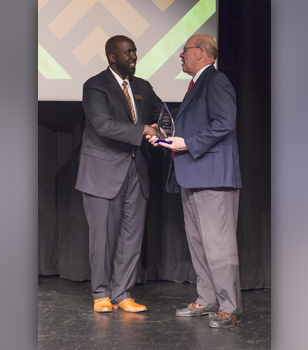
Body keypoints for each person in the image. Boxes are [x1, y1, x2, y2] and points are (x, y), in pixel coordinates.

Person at [146, 34, 243, 328]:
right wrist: (164, 138)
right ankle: (207, 299)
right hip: (192, 175)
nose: (180, 55)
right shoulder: (195, 85)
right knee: (199, 243)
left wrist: (187, 144)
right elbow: (189, 128)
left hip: (213, 177)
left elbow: (225, 122)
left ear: (200, 53)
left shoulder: (216, 81)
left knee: (219, 245)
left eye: (184, 50)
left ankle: (229, 307)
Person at [76, 35, 163, 313]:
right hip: (103, 172)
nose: (133, 56)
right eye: (128, 52)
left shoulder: (143, 87)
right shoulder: (95, 86)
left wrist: (165, 130)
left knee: (131, 235)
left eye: (135, 51)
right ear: (112, 57)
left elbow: (162, 115)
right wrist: (143, 131)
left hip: (137, 170)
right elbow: (103, 125)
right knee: (102, 237)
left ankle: (122, 293)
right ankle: (101, 293)